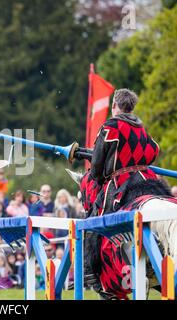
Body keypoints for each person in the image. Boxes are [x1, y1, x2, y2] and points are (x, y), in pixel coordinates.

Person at [82, 88, 160, 296]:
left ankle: (90, 272)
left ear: (115, 105)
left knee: (93, 222)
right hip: (148, 180)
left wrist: (104, 172)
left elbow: (97, 168)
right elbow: (154, 150)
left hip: (121, 182)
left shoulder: (110, 127)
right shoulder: (142, 129)